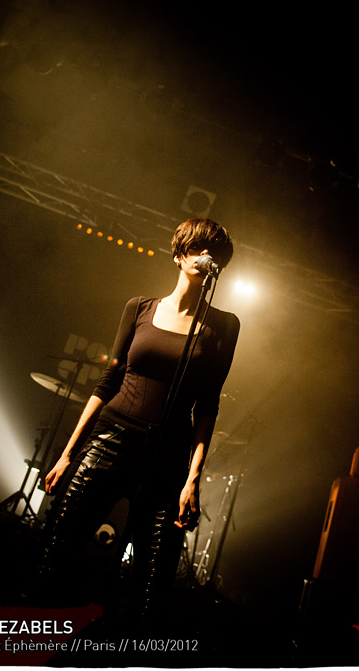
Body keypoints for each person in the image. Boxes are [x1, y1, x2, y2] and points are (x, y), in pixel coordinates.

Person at [39, 218, 240, 622]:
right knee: (56, 552)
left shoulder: (224, 326)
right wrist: (67, 455)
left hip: (168, 458)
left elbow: (207, 406)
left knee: (153, 585)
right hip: (111, 441)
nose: (206, 256)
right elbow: (107, 382)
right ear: (180, 254)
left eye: (215, 252)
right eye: (198, 248)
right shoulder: (140, 308)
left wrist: (192, 479)